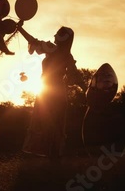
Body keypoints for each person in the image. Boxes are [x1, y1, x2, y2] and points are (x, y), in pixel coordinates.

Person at [16, 21, 83, 161]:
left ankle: (39, 155)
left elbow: (33, 41)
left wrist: (20, 28)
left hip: (47, 92)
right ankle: (53, 156)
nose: (56, 35)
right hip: (58, 92)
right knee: (55, 124)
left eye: (59, 34)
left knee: (42, 121)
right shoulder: (67, 56)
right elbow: (74, 76)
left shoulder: (52, 49)